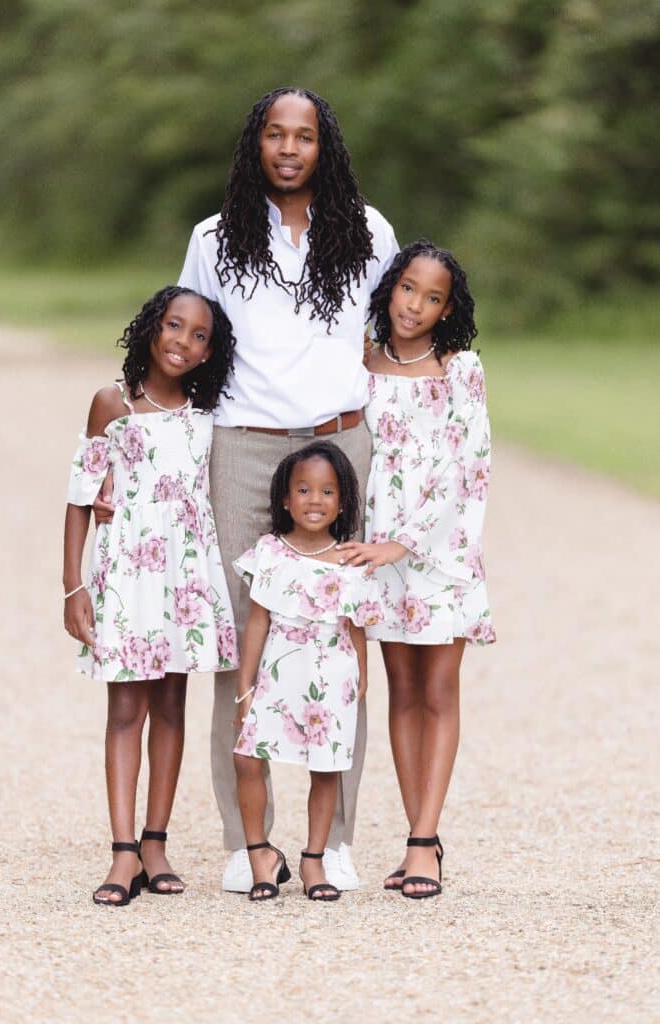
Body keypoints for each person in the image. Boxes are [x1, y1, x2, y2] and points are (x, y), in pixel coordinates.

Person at [176, 86, 398, 892]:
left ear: (323, 146)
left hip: (338, 441)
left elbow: (391, 335)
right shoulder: (213, 236)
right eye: (275, 133)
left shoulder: (368, 231)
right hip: (242, 444)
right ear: (257, 144)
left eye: (303, 135)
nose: (289, 148)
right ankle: (247, 842)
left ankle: (329, 841)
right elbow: (189, 339)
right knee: (245, 640)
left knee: (337, 631)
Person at [64, 285, 238, 905]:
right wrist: (73, 586)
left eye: (199, 336)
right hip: (127, 578)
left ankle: (155, 841)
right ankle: (121, 853)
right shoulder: (112, 403)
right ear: (150, 327)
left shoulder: (208, 409)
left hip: (183, 580)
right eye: (173, 326)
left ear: (209, 352)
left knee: (170, 707)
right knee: (124, 712)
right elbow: (82, 496)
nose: (182, 342)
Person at [337, 240, 496, 899]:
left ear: (446, 308)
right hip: (376, 555)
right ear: (390, 287)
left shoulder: (459, 369)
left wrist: (405, 543)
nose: (415, 305)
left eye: (432, 298)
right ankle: (415, 835)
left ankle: (424, 840)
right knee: (400, 690)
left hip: (439, 551)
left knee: (438, 689)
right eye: (408, 289)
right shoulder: (359, 364)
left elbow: (468, 468)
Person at [232, 442, 382, 901]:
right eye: (303, 490)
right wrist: (245, 684)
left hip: (331, 679)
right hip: (278, 676)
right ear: (284, 498)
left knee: (326, 769)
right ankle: (260, 853)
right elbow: (258, 619)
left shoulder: (351, 562)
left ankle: (314, 859)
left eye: (327, 492)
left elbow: (356, 627)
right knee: (247, 759)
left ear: (342, 502)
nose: (315, 501)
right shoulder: (270, 553)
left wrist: (362, 675)